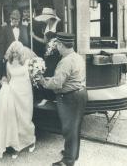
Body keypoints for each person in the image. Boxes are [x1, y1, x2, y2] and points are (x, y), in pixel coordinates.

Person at [0, 41, 36, 159]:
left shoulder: (28, 62)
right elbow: (9, 78)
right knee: (14, 118)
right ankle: (16, 146)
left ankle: (31, 140)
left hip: (25, 93)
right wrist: (4, 83)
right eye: (13, 52)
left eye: (17, 52)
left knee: (25, 118)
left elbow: (31, 77)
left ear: (21, 52)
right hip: (13, 92)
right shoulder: (8, 64)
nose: (14, 54)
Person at [39, 32, 88, 166]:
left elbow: (57, 84)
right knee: (75, 126)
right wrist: (52, 80)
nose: (56, 48)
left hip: (70, 98)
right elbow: (67, 79)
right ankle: (72, 153)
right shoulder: (77, 57)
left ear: (61, 44)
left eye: (57, 45)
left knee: (69, 128)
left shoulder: (65, 61)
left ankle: (68, 161)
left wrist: (43, 81)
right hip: (80, 94)